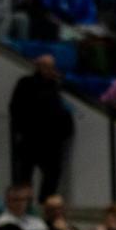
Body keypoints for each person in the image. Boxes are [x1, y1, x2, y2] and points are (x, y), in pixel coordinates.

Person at [9, 55, 74, 200]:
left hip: (52, 141)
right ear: (38, 66)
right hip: (30, 138)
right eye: (46, 66)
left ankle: (45, 205)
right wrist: (22, 130)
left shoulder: (55, 86)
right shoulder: (25, 83)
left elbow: (62, 110)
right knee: (25, 176)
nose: (50, 70)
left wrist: (64, 132)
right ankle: (25, 206)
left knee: (52, 176)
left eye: (52, 67)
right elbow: (15, 108)